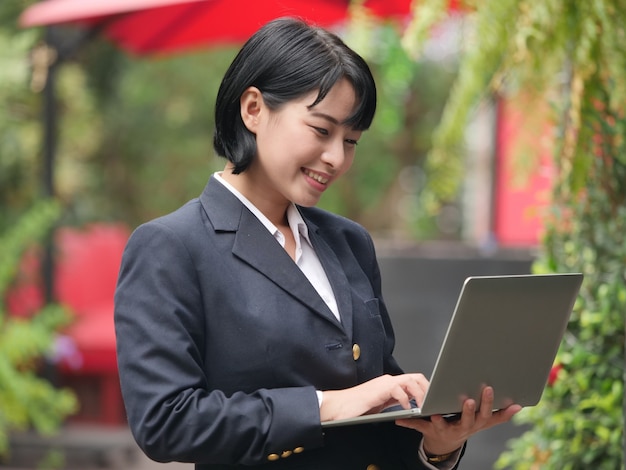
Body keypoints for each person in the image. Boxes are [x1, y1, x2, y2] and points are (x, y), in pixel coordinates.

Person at [114, 17, 521, 470]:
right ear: (253, 109)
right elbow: (166, 421)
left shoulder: (349, 242)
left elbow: (376, 411)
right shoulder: (172, 246)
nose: (336, 158)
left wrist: (438, 445)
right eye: (321, 130)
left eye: (351, 141)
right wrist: (325, 406)